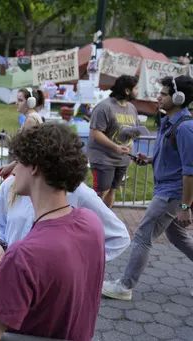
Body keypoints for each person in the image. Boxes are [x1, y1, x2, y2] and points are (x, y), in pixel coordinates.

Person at [0, 123, 105, 341]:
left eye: (19, 162)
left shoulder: (23, 256)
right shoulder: (91, 223)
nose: (13, 170)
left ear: (34, 167)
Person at [102, 75, 193, 300]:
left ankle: (124, 286)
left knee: (143, 235)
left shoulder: (185, 128)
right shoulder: (169, 122)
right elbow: (176, 158)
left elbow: (190, 171)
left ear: (179, 98)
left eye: (163, 93)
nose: (159, 97)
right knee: (177, 236)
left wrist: (185, 205)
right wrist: (151, 159)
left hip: (172, 193)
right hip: (167, 189)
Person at [0, 175, 130, 265]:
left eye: (20, 162)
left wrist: (77, 263)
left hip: (52, 289)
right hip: (13, 279)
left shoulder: (77, 192)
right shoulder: (10, 185)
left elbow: (119, 236)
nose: (12, 167)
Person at [87, 75, 141, 208]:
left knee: (112, 190)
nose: (138, 91)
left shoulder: (132, 108)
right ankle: (92, 223)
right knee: (100, 193)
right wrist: (116, 147)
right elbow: (96, 133)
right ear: (127, 91)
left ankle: (107, 222)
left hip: (122, 159)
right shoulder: (104, 107)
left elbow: (134, 128)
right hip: (103, 159)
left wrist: (136, 133)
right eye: (136, 88)